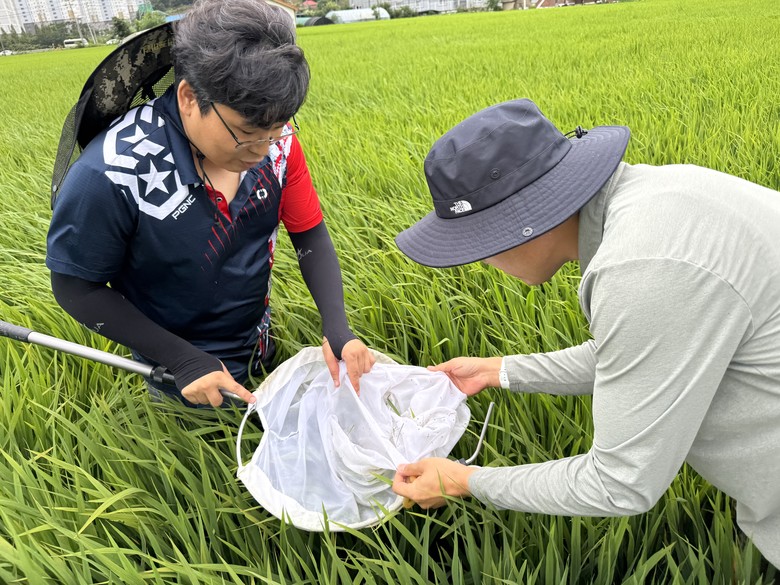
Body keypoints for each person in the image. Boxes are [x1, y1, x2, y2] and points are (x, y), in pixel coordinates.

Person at [391, 98, 780, 568]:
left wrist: (463, 480)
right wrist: (499, 370)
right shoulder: (656, 199)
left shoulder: (641, 270)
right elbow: (637, 356)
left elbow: (620, 481)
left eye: (480, 242)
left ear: (519, 221)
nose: (483, 259)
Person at [46, 0, 375, 408]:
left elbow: (308, 233)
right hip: (180, 373)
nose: (263, 149)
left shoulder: (277, 143)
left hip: (258, 338)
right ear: (189, 97)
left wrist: (338, 329)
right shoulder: (112, 173)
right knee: (194, 440)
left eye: (277, 129)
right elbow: (75, 286)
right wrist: (181, 359)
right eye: (245, 133)